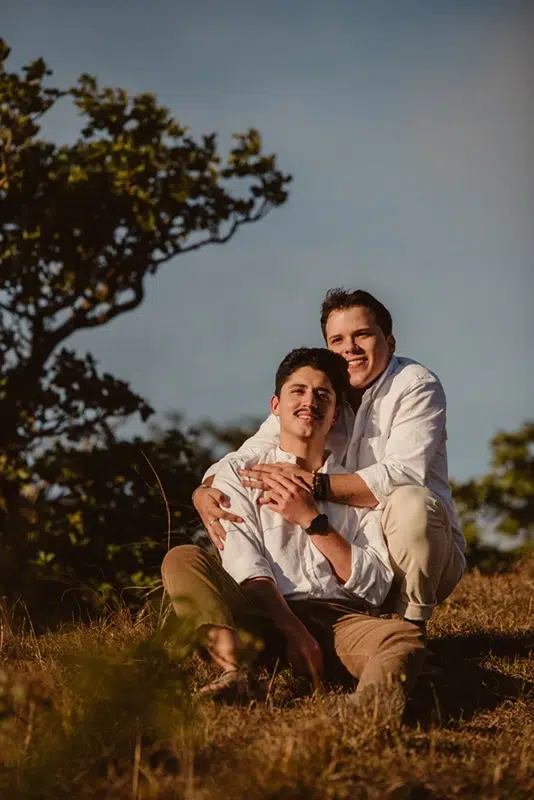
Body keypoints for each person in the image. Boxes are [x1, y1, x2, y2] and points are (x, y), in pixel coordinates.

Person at [162, 348, 427, 718]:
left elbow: (376, 586)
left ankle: (362, 715)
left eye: (323, 395)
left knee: (403, 638)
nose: (310, 402)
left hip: (338, 621)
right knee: (182, 558)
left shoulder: (352, 486)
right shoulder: (242, 473)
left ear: (335, 415)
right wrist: (291, 628)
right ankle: (235, 674)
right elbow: (245, 564)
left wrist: (312, 521)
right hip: (259, 616)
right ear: (275, 405)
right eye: (298, 391)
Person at [193, 289, 466, 629]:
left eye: (362, 335)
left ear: (390, 342)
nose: (349, 348)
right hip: (355, 556)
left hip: (426, 552)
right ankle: (347, 621)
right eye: (337, 339)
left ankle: (413, 627)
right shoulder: (317, 397)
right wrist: (205, 489)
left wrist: (313, 485)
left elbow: (401, 476)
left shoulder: (414, 385)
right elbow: (252, 454)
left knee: (410, 502)